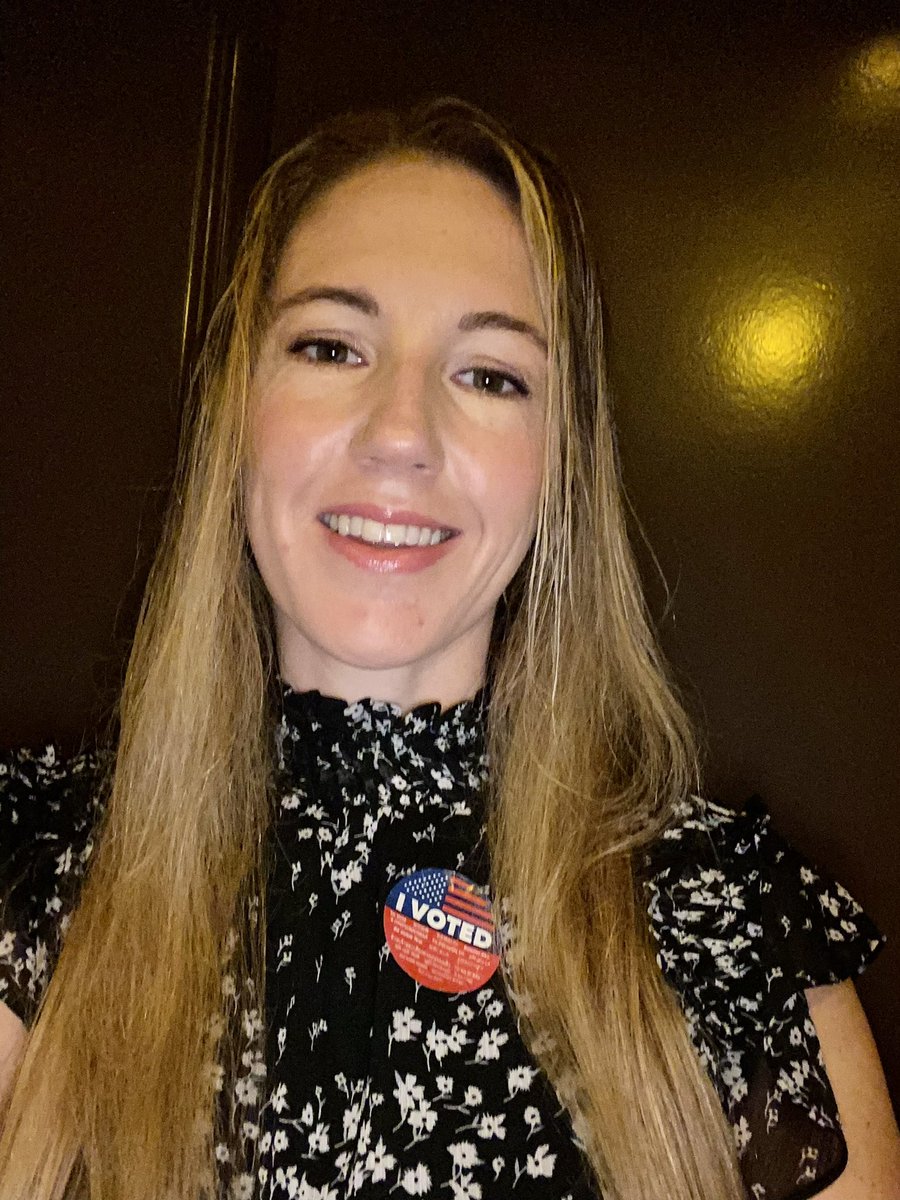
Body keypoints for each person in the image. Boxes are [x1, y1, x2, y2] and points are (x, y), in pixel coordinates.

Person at [0, 97, 897, 1200]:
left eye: (490, 375)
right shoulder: (32, 879)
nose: (400, 434)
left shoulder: (728, 928)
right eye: (332, 347)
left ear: (558, 463)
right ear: (238, 411)